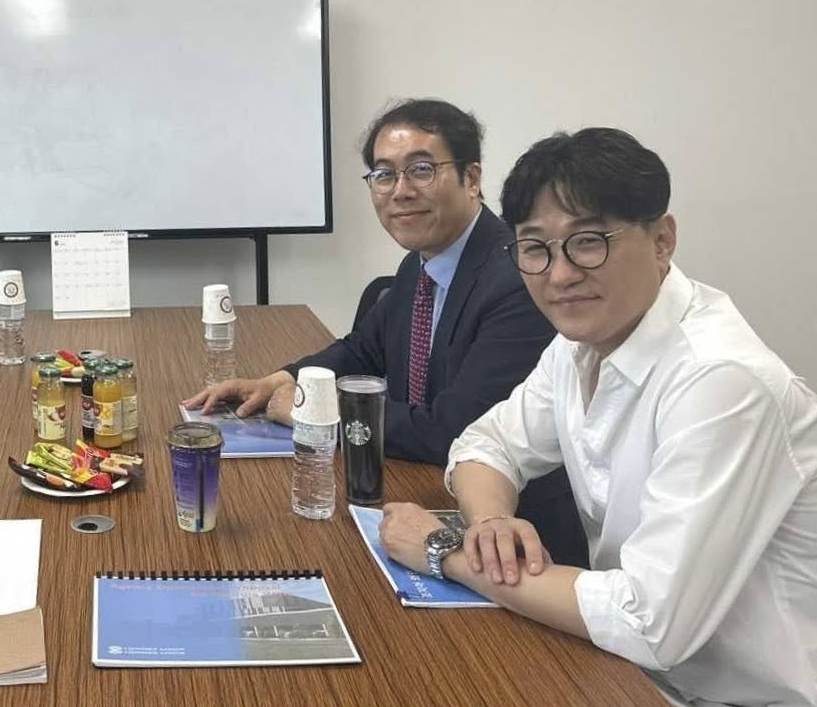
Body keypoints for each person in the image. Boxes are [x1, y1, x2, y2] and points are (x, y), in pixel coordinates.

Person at [380, 128, 817, 707]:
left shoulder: (722, 381)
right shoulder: (579, 345)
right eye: (535, 249)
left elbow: (648, 621)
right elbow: (485, 444)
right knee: (428, 673)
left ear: (662, 240)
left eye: (588, 242)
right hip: (633, 672)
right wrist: (489, 524)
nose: (560, 275)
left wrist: (444, 552)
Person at [187, 98, 584, 569]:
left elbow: (451, 430)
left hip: (521, 543)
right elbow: (362, 350)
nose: (400, 191)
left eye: (421, 170)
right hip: (424, 498)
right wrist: (278, 379)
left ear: (472, 178)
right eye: (384, 175)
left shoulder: (518, 277)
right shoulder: (422, 263)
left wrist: (311, 412)